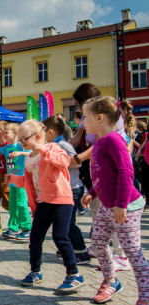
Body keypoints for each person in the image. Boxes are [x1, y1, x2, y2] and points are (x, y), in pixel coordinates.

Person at [80, 96, 149, 304]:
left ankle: (145, 295)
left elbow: (126, 173)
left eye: (85, 117)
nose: (82, 122)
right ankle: (111, 281)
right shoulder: (101, 141)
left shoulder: (114, 140)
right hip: (109, 204)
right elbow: (105, 174)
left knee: (132, 251)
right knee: (98, 244)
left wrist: (121, 204)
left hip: (125, 205)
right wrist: (93, 191)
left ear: (99, 118)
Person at [7, 120, 85, 292]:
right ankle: (35, 272)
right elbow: (31, 181)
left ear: (37, 136)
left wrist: (43, 150)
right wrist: (14, 179)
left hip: (60, 200)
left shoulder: (52, 148)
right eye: (20, 140)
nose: (21, 143)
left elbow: (65, 162)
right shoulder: (29, 158)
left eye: (24, 139)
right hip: (43, 202)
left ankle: (74, 274)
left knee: (60, 237)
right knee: (35, 239)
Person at [69, 83, 131, 270]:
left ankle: (121, 255)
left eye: (78, 104)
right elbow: (78, 138)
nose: (79, 111)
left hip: (107, 169)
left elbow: (107, 146)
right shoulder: (88, 117)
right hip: (95, 168)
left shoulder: (109, 125)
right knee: (99, 209)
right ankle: (99, 247)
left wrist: (78, 157)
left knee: (116, 216)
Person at [43, 116, 90, 264]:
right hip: (65, 189)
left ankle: (82, 252)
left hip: (73, 188)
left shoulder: (63, 145)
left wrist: (59, 161)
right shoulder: (54, 145)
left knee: (69, 223)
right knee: (62, 222)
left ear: (50, 132)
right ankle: (68, 247)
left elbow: (76, 162)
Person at [0, 123, 32, 240]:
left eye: (6, 132)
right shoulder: (6, 147)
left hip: (22, 181)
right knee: (12, 205)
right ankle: (13, 228)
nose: (4, 135)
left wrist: (20, 153)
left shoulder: (21, 145)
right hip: (11, 181)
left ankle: (26, 228)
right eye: (3, 133)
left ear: (15, 133)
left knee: (22, 204)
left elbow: (32, 152)